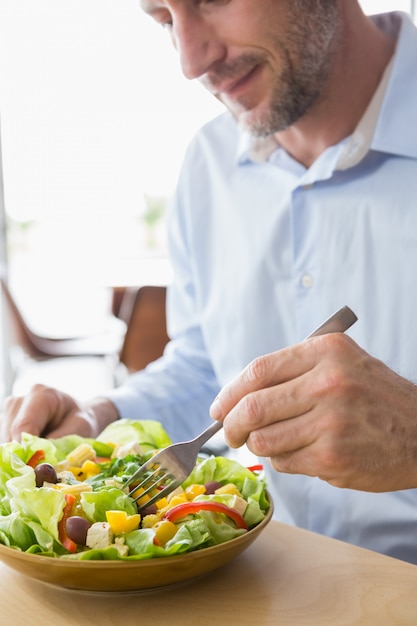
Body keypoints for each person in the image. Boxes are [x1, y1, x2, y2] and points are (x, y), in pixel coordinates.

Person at [3, 1, 417, 563]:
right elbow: (205, 366)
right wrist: (97, 417)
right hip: (269, 579)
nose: (191, 61)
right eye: (164, 19)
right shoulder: (209, 163)